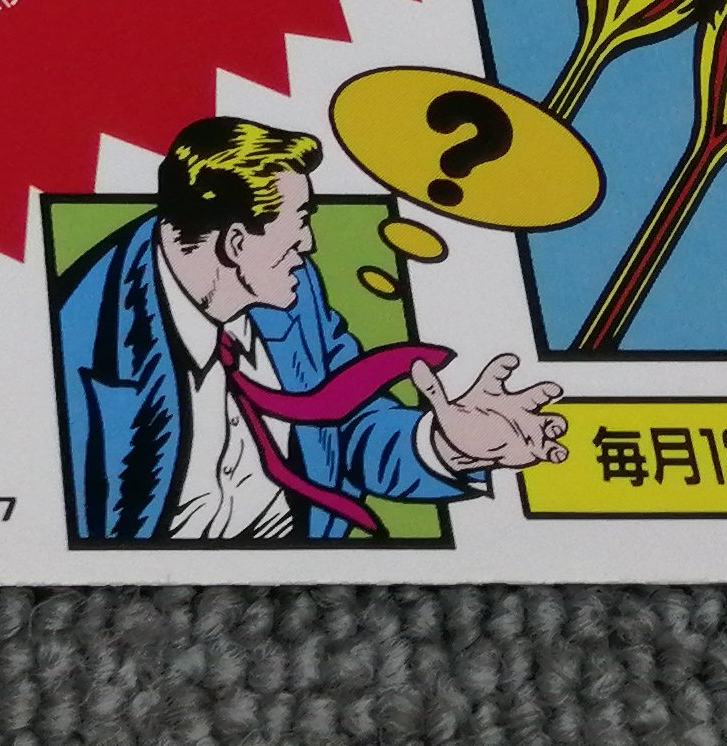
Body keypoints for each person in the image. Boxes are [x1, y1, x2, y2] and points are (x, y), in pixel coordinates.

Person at [51, 117, 568, 544]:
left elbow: (351, 426)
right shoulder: (81, 340)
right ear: (235, 244)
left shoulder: (293, 293)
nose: (309, 244)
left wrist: (444, 445)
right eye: (300, 220)